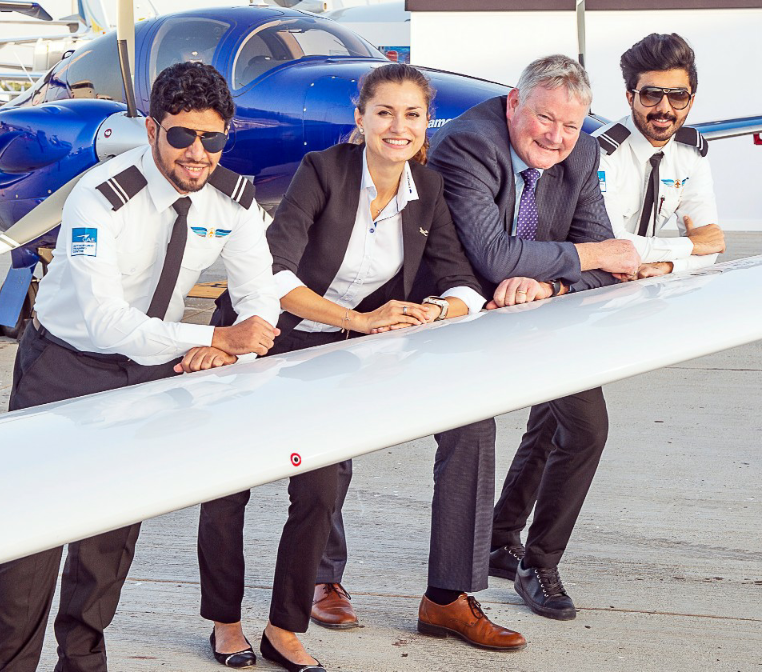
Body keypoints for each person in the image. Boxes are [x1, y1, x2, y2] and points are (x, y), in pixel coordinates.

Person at [199, 64, 527, 672]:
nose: (398, 126)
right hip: (266, 337)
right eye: (385, 112)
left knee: (319, 489)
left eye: (412, 115)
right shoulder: (322, 171)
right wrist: (362, 320)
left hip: (336, 355)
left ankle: (283, 629)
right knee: (228, 486)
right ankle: (225, 623)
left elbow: (462, 282)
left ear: (426, 124)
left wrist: (433, 310)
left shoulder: (428, 189)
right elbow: (273, 275)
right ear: (361, 119)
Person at [0, 62, 281, 672]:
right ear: (152, 130)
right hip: (63, 368)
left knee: (111, 535)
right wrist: (213, 334)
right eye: (182, 135)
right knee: (31, 536)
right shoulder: (100, 197)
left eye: (213, 138)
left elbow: (261, 298)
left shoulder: (234, 201)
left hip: (146, 374)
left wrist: (231, 345)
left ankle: (83, 662)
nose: (198, 153)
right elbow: (105, 321)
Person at [427, 55, 641, 622]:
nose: (556, 136)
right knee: (483, 431)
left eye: (570, 124)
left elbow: (610, 268)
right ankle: (483, 556)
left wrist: (550, 285)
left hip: (538, 305)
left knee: (581, 426)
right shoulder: (469, 144)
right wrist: (587, 256)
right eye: (545, 118)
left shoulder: (583, 152)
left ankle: (530, 557)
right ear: (514, 103)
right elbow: (495, 257)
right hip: (466, 310)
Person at [595, 33, 725, 279]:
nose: (664, 108)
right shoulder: (600, 153)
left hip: (643, 280)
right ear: (630, 97)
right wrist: (692, 245)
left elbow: (712, 245)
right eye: (651, 94)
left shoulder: (691, 154)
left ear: (691, 101)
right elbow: (611, 246)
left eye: (678, 96)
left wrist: (667, 266)